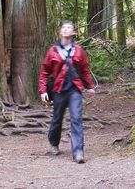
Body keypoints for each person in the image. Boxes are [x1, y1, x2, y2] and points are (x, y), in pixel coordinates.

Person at [39, 20, 95, 163]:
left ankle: (78, 152)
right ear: (60, 31)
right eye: (64, 27)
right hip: (58, 90)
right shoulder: (53, 51)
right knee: (57, 118)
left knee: (76, 119)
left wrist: (90, 86)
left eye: (69, 28)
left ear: (73, 32)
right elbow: (45, 71)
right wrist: (43, 90)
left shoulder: (78, 50)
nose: (66, 30)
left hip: (74, 90)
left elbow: (84, 69)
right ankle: (54, 143)